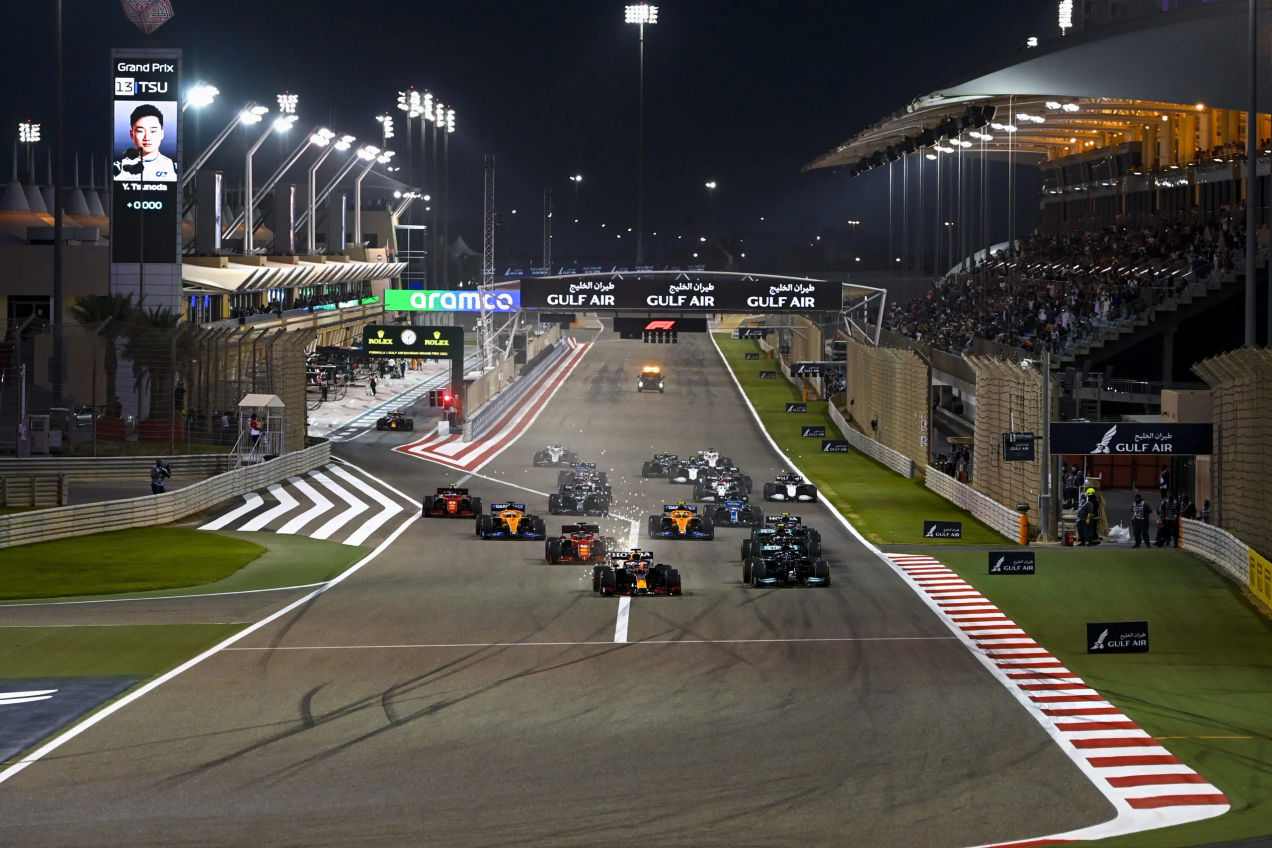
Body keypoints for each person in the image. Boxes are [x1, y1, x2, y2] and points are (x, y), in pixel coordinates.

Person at [113, 103, 178, 182]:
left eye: (153, 131)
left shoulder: (173, 168)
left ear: (162, 134)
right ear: (132, 134)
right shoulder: (118, 169)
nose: (147, 138)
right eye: (140, 131)